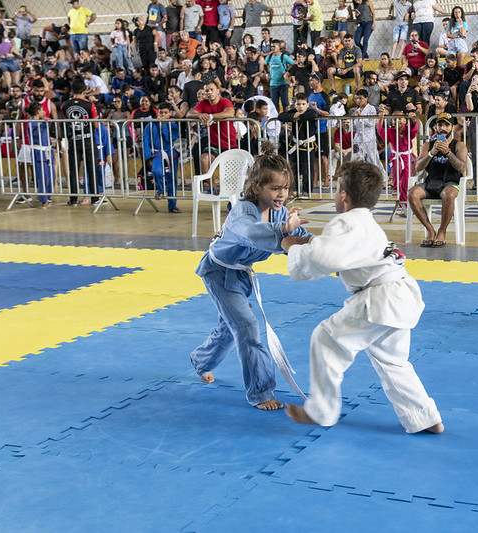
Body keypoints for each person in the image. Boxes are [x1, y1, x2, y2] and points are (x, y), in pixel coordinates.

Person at [282, 160, 443, 434]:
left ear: (343, 195)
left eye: (335, 190)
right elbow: (336, 248)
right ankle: (425, 417)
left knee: (326, 338)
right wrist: (302, 240)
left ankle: (321, 410)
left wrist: (289, 247)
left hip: (381, 299)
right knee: (393, 361)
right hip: (399, 296)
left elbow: (324, 256)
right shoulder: (363, 221)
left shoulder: (347, 221)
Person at [189, 148, 311, 410]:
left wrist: (322, 243)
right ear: (256, 187)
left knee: (230, 327)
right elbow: (250, 233)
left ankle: (201, 359)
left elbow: (297, 234)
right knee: (246, 326)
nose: (282, 194)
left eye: (286, 188)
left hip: (240, 274)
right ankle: (261, 392)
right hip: (218, 272)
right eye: (275, 188)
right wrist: (284, 230)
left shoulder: (279, 213)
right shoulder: (243, 210)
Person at [407, 112, 468, 247]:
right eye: (440, 125)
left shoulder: (459, 145)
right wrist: (431, 153)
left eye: (447, 125)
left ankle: (442, 231)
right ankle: (430, 230)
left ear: (452, 127)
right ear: (435, 128)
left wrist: (448, 153)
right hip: (431, 182)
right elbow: (417, 167)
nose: (443, 128)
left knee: (448, 194)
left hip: (450, 183)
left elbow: (462, 168)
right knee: (412, 193)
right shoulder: (428, 145)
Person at [61, 77, 99, 205]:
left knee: (73, 170)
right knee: (91, 168)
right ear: (84, 91)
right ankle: (95, 198)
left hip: (73, 140)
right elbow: (96, 125)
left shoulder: (65, 105)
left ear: (72, 90)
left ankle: (73, 199)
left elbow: (66, 121)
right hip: (88, 140)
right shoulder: (90, 105)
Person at [278, 92, 319, 197]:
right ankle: (294, 189)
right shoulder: (293, 112)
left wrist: (298, 116)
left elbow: (313, 114)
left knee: (307, 168)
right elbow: (281, 116)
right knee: (293, 167)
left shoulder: (310, 112)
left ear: (307, 104)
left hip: (308, 144)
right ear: (294, 104)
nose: (300, 106)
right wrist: (293, 115)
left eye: (303, 104)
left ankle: (306, 191)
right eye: (298, 104)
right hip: (295, 144)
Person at [190, 80, 236, 173]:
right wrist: (200, 115)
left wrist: (211, 116)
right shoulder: (203, 103)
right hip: (213, 143)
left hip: (229, 143)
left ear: (217, 90)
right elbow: (189, 113)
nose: (209, 92)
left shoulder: (225, 101)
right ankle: (212, 187)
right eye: (207, 91)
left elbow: (230, 112)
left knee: (230, 172)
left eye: (212, 89)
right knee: (204, 158)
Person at [142, 103, 181, 212]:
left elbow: (170, 139)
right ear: (157, 112)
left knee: (171, 179)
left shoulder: (173, 125)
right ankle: (160, 190)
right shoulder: (150, 125)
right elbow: (146, 141)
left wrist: (164, 125)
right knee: (156, 171)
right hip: (157, 153)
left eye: (165, 113)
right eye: (161, 112)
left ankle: (172, 205)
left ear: (170, 113)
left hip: (170, 153)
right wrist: (148, 157)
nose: (162, 115)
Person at [378, 110, 418, 210]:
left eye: (400, 119)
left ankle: (405, 205)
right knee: (396, 167)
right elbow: (382, 133)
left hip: (407, 158)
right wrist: (381, 120)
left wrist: (413, 120)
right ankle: (395, 187)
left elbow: (414, 132)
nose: (397, 121)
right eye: (394, 119)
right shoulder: (391, 131)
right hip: (396, 156)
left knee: (405, 182)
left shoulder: (408, 129)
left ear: (405, 121)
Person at [25, 102, 55, 209]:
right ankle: (43, 198)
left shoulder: (42, 120)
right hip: (38, 152)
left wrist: (46, 122)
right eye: (42, 110)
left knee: (51, 176)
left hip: (47, 151)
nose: (44, 112)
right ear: (38, 111)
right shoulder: (31, 122)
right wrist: (43, 123)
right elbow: (36, 133)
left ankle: (49, 194)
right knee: (42, 177)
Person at [265, 40, 294, 111]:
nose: (272, 48)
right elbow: (265, 65)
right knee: (275, 105)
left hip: (283, 84)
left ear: (279, 47)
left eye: (274, 46)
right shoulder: (269, 57)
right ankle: (277, 121)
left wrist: (288, 73)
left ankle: (286, 121)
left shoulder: (284, 56)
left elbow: (294, 64)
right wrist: (267, 74)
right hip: (273, 84)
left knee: (285, 104)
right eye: (271, 46)